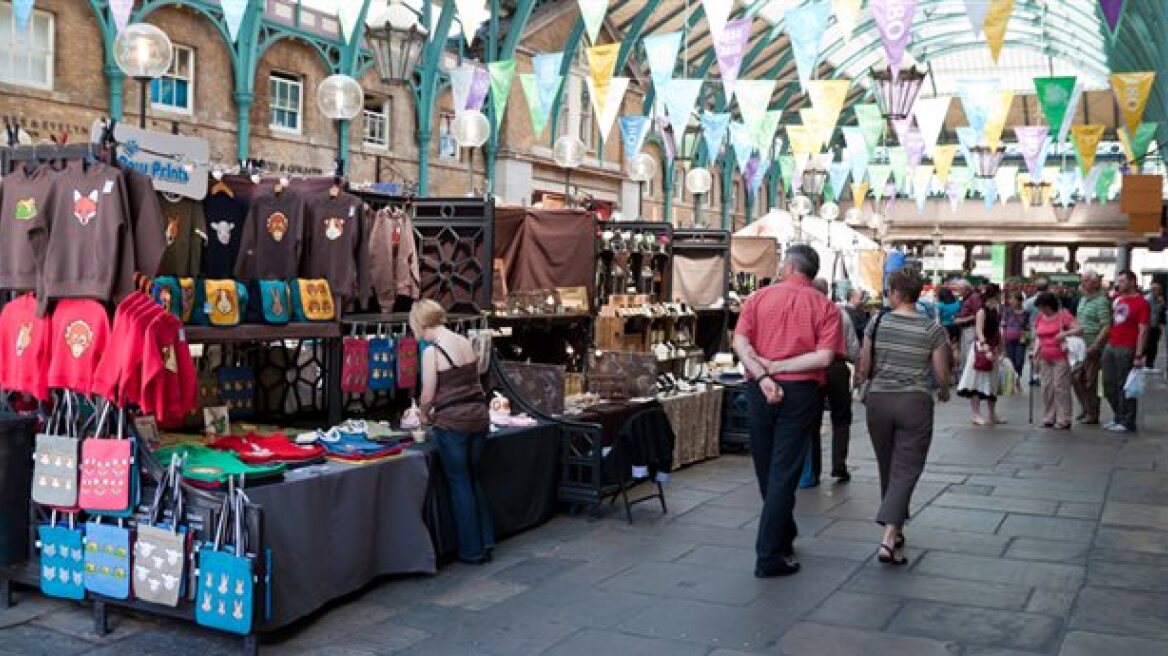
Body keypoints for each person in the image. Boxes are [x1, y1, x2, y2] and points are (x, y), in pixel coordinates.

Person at [733, 245, 844, 578]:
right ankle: (769, 552)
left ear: (788, 266)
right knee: (784, 470)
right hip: (800, 391)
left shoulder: (758, 297)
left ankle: (782, 533)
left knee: (767, 466)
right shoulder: (825, 306)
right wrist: (777, 368)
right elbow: (824, 357)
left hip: (759, 386)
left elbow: (739, 342)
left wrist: (765, 374)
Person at [854, 269, 950, 566]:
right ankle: (888, 538)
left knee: (889, 467)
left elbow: (864, 366)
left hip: (879, 402)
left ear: (896, 292)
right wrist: (944, 391)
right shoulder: (931, 329)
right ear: (918, 292)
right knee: (907, 469)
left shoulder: (877, 321)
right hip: (914, 403)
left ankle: (895, 532)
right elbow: (941, 373)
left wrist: (861, 378)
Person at [412, 299, 495, 564]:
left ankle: (471, 551)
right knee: (473, 478)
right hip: (478, 418)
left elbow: (427, 394)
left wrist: (423, 416)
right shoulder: (464, 342)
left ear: (421, 324)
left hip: (453, 424)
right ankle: (486, 540)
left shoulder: (432, 352)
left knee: (459, 484)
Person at [813, 278, 861, 483]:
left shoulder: (805, 311)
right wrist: (858, 371)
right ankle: (839, 464)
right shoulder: (840, 313)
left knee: (811, 419)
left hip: (809, 368)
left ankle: (811, 470)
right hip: (837, 368)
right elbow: (853, 348)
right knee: (841, 418)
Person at [1102, 271, 1150, 433]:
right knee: (1108, 383)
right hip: (1112, 344)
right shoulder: (1118, 300)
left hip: (1127, 347)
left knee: (1125, 385)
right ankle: (1118, 415)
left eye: (1122, 281)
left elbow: (1143, 330)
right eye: (1118, 280)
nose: (1119, 284)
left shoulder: (1141, 303)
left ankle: (1127, 420)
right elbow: (1112, 323)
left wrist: (1138, 354)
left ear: (1132, 282)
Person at [1032, 292, 1081, 429]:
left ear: (1049, 305)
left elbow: (1079, 329)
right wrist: (1036, 349)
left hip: (1061, 355)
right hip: (1044, 355)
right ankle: (1049, 417)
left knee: (1061, 387)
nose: (1042, 310)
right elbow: (1038, 335)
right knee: (1046, 387)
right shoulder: (1040, 317)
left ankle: (1064, 418)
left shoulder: (1063, 315)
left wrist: (1064, 334)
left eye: (1043, 307)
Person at [957, 283, 1003, 425]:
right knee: (976, 381)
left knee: (992, 382)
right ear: (994, 295)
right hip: (981, 349)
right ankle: (976, 414)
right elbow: (979, 331)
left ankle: (992, 414)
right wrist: (985, 347)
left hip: (992, 348)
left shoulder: (996, 310)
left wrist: (999, 348)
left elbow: (997, 331)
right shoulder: (981, 311)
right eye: (998, 294)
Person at [1072, 271, 1111, 425]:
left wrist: (1096, 345)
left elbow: (1106, 326)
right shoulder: (1082, 300)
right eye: (1083, 279)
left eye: (1087, 280)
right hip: (1080, 345)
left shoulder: (1101, 301)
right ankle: (1085, 407)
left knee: (1090, 381)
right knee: (1075, 378)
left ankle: (1092, 412)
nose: (1083, 282)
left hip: (1092, 345)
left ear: (1095, 283)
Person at [1000, 292, 1031, 382]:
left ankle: (1018, 377)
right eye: (1010, 299)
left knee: (1019, 361)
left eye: (1013, 299)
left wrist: (1028, 339)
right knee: (1011, 361)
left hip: (1021, 340)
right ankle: (1013, 381)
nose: (1010, 301)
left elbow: (1027, 327)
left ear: (1019, 301)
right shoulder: (1007, 311)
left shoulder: (1026, 313)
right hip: (1008, 339)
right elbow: (1003, 325)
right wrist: (1002, 338)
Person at [952, 280, 982, 368]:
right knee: (964, 354)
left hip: (970, 329)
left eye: (959, 290)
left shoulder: (974, 297)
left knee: (969, 353)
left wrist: (963, 320)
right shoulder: (965, 298)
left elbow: (978, 314)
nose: (958, 292)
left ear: (965, 289)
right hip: (964, 329)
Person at [1143, 280, 1164, 370]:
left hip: (1155, 326)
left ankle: (1150, 364)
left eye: (1160, 290)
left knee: (1154, 346)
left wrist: (1161, 304)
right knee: (1149, 346)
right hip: (1149, 326)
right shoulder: (1148, 299)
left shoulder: (1158, 300)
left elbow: (1158, 313)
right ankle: (1147, 364)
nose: (1159, 292)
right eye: (1157, 289)